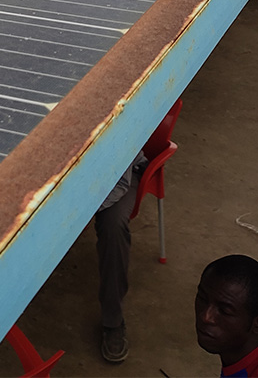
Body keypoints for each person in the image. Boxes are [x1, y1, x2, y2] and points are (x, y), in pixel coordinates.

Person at [93, 151, 146, 364]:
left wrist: (78, 212)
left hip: (121, 176)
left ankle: (113, 320)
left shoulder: (118, 135)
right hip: (77, 174)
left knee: (113, 226)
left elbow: (119, 184)